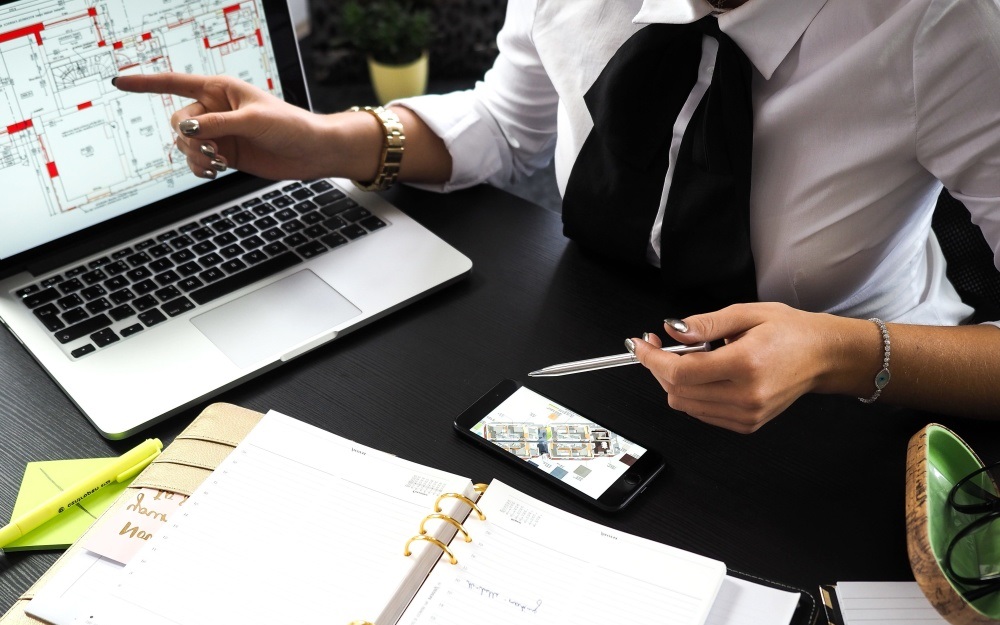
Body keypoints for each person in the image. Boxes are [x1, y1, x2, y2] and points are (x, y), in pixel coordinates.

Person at [114, 0, 1000, 433]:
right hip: (599, 338)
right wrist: (326, 141)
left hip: (851, 406)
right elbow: (510, 122)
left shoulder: (951, 25)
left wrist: (843, 352)